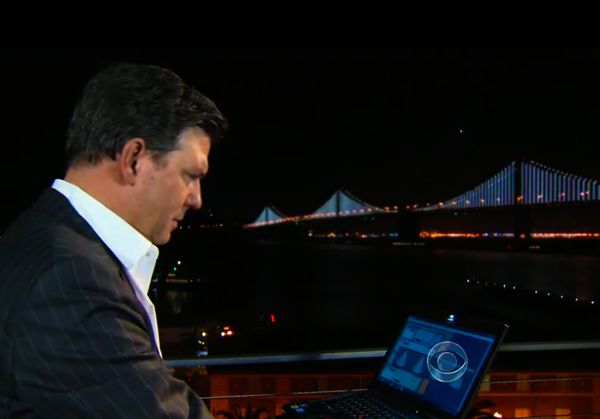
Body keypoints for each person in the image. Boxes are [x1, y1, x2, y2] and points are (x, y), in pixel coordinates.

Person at [0, 63, 229, 418]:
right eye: (190, 175)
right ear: (134, 159)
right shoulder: (71, 280)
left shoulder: (38, 234)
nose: (196, 199)